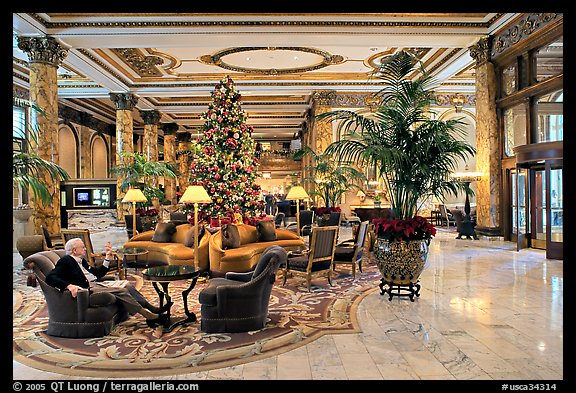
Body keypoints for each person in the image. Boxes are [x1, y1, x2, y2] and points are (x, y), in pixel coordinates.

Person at [46, 237, 171, 325]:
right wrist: (69, 286)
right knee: (121, 290)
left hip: (97, 283)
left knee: (127, 285)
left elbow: (98, 274)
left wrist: (107, 258)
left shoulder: (82, 261)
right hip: (88, 289)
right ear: (74, 250)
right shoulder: (66, 261)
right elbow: (50, 277)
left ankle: (151, 308)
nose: (85, 249)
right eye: (82, 247)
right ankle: (147, 315)